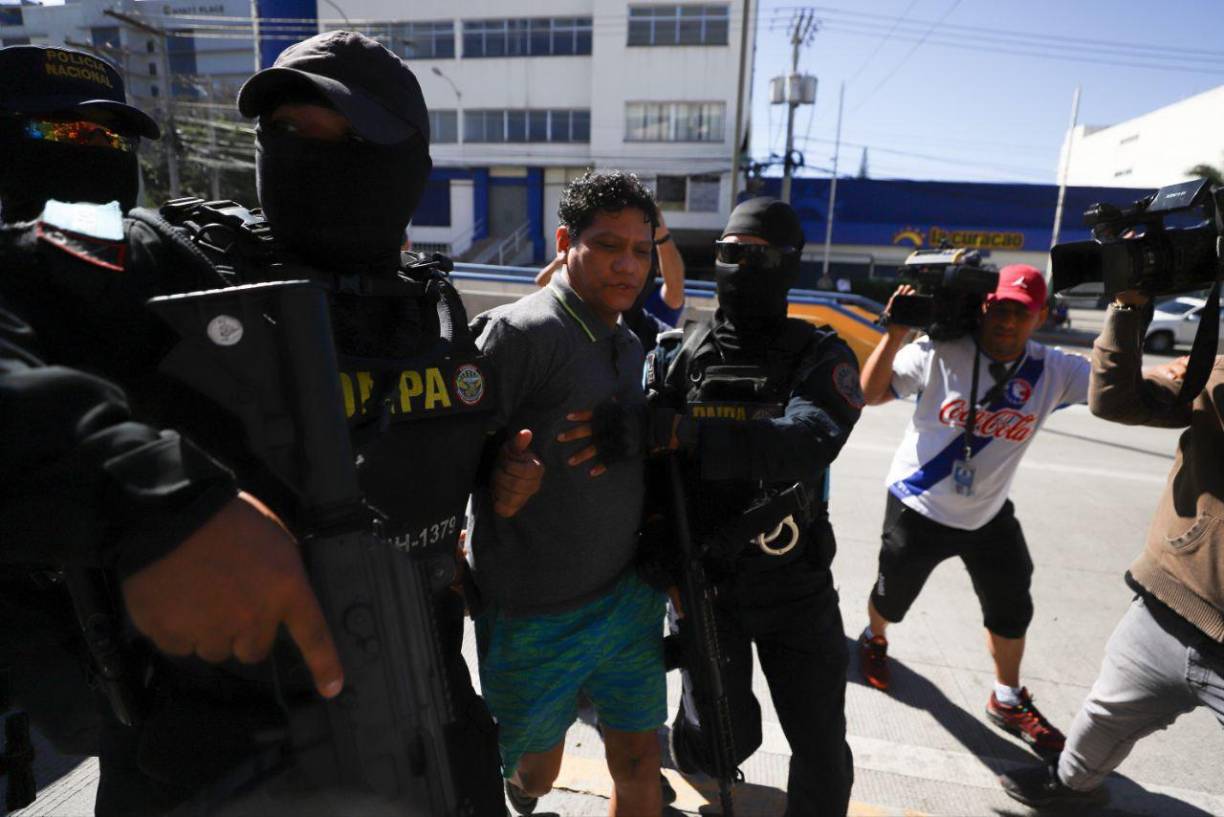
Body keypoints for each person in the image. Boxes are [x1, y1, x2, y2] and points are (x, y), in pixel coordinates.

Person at [1, 32, 538, 816]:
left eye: (343, 136)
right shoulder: (175, 269)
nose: (306, 156)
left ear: (408, 163)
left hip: (428, 727)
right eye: (285, 132)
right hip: (225, 765)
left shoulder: (431, 305)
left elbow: (417, 449)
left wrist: (496, 471)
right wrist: (147, 497)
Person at [645, 197, 862, 816]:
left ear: (789, 263)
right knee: (721, 742)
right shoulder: (673, 356)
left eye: (757, 254)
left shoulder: (819, 355)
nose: (740, 265)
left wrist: (688, 434)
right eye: (728, 254)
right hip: (706, 591)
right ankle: (698, 750)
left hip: (796, 589)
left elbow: (807, 441)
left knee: (820, 745)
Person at [467, 171, 666, 817]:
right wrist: (495, 474)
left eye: (641, 250)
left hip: (627, 600)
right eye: (610, 244)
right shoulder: (519, 333)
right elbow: (447, 452)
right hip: (534, 615)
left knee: (638, 762)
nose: (628, 264)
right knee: (536, 775)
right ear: (564, 240)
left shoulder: (630, 340)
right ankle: (523, 790)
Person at [999, 291, 1224, 809]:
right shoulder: (1215, 366)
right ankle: (1071, 787)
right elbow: (1117, 400)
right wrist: (1128, 307)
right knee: (1102, 717)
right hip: (1169, 603)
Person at [857, 266, 1090, 758]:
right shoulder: (940, 350)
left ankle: (1007, 696)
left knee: (1012, 605)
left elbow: (1121, 387)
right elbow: (870, 394)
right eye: (1000, 308)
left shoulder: (1055, 369)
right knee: (891, 598)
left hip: (987, 515)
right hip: (918, 503)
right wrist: (896, 331)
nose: (1007, 321)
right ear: (984, 306)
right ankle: (874, 637)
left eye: (1020, 313)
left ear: (1040, 316)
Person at [536, 205, 685, 353]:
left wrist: (662, 235)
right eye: (609, 246)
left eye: (641, 252)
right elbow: (544, 282)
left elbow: (675, 285)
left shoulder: (655, 314)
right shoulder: (577, 317)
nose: (627, 267)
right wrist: (564, 256)